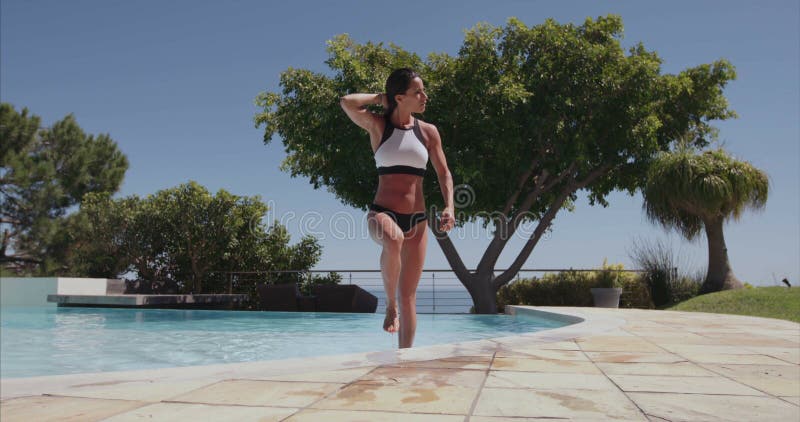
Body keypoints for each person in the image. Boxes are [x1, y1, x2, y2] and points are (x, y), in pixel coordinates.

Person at [340, 68, 454, 348]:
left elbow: (443, 173)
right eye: (418, 92)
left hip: (417, 220)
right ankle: (390, 306)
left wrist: (449, 205)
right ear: (400, 97)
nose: (425, 96)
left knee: (410, 297)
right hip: (382, 212)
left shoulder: (428, 132)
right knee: (393, 239)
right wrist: (381, 98)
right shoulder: (379, 126)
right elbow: (347, 102)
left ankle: (405, 360)